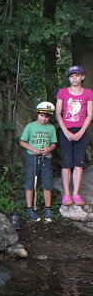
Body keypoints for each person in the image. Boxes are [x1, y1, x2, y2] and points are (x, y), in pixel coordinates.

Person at [56, 65, 93, 206]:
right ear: (69, 78)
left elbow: (90, 114)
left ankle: (76, 194)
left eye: (77, 76)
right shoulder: (62, 92)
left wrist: (81, 131)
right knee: (66, 161)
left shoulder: (88, 93)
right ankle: (66, 194)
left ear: (82, 77)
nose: (74, 78)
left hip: (81, 130)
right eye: (72, 76)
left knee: (79, 162)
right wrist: (65, 131)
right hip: (66, 129)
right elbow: (58, 113)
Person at [19, 102, 57, 222]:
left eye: (47, 117)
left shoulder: (51, 128)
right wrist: (33, 149)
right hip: (33, 158)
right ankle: (30, 208)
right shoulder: (30, 126)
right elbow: (22, 142)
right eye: (42, 116)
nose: (44, 119)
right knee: (30, 183)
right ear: (37, 114)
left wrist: (49, 149)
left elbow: (53, 143)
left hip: (46, 158)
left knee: (47, 183)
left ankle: (48, 209)